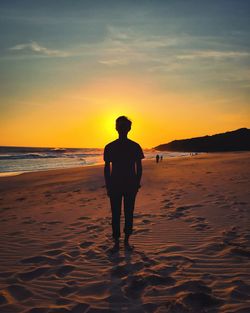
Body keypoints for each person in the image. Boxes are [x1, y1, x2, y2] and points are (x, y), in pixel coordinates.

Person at [104, 116, 144, 252]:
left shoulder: (110, 146)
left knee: (116, 213)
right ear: (129, 129)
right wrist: (137, 183)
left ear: (116, 128)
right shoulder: (135, 146)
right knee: (128, 212)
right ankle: (125, 241)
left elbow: (106, 169)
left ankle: (117, 241)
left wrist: (108, 185)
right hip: (129, 184)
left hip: (117, 184)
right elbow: (139, 168)